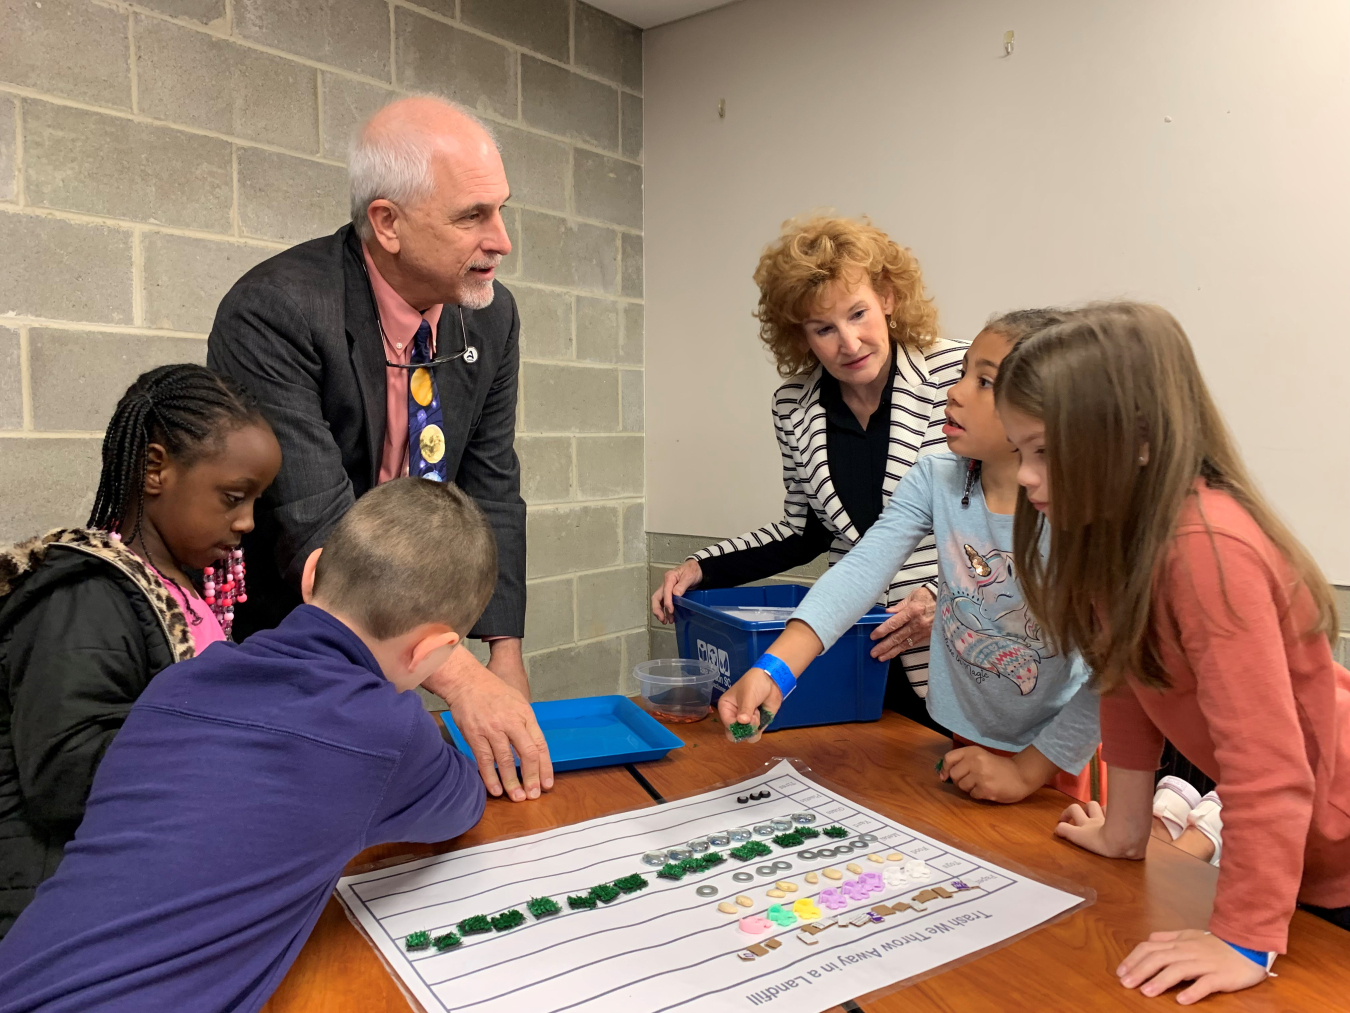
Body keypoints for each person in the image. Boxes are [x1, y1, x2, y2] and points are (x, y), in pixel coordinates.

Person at [0, 478, 492, 1013]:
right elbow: (461, 804)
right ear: (434, 652)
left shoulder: (179, 683)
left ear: (311, 573)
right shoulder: (385, 732)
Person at [996, 302, 1349, 1003]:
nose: (1027, 478)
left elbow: (1268, 765)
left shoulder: (1206, 550)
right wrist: (1126, 829)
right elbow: (1128, 684)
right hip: (1297, 856)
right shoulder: (1112, 537)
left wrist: (1243, 936)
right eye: (1018, 453)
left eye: (1043, 451)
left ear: (1139, 442)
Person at [208, 94, 550, 803]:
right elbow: (313, 516)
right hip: (301, 629)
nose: (501, 241)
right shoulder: (275, 309)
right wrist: (456, 673)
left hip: (419, 637)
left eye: (501, 209)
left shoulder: (494, 317)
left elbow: (490, 487)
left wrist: (504, 653)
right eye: (472, 217)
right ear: (387, 222)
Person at [715, 311, 1102, 804]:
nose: (956, 392)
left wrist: (1026, 773)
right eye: (962, 372)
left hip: (1054, 753)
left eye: (984, 382)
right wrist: (775, 669)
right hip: (961, 735)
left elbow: (1112, 682)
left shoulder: (1077, 511)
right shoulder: (936, 477)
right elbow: (860, 571)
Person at [651, 216, 966, 728]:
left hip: (957, 653)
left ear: (887, 297)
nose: (849, 342)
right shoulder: (794, 406)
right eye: (825, 328)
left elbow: (1011, 513)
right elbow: (805, 530)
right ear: (801, 335)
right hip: (859, 654)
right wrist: (702, 568)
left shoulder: (962, 373)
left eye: (858, 313)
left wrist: (948, 596)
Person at [0, 364, 281, 938]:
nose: (248, 521)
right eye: (232, 497)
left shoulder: (180, 586)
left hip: (140, 894)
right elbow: (65, 774)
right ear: (156, 469)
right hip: (61, 920)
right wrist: (241, 734)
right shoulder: (83, 596)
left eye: (256, 500)